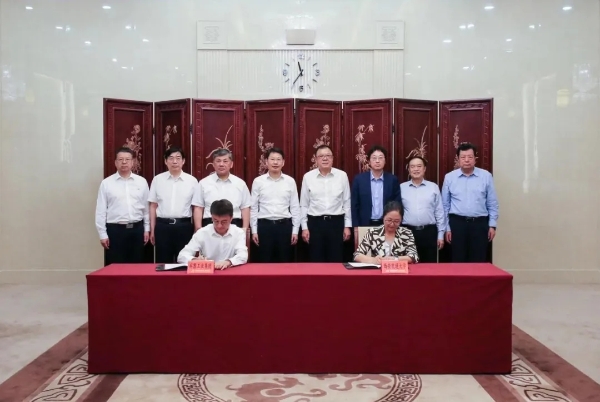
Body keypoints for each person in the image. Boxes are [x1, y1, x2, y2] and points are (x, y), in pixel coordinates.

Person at [441, 142, 499, 262]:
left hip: (479, 224)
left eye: (470, 157)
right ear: (458, 159)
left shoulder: (486, 176)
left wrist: (492, 225)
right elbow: (445, 205)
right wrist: (447, 228)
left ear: (475, 158)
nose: (466, 160)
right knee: (457, 260)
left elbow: (492, 203)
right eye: (463, 157)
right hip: (457, 224)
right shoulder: (449, 177)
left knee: (478, 260)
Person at [95, 147, 149, 264]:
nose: (124, 162)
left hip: (137, 230)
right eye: (120, 159)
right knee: (115, 267)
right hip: (115, 231)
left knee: (137, 267)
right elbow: (101, 211)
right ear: (115, 162)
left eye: (127, 159)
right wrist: (102, 234)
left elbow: (146, 209)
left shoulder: (142, 182)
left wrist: (147, 229)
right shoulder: (106, 183)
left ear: (133, 162)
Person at [300, 144, 352, 262]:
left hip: (336, 223)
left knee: (336, 259)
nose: (325, 158)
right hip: (315, 224)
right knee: (316, 260)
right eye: (321, 156)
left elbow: (346, 202)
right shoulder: (308, 177)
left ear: (333, 158)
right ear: (316, 159)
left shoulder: (342, 176)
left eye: (328, 155)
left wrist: (347, 226)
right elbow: (304, 204)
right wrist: (304, 227)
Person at [250, 147, 300, 262]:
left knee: (285, 263)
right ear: (266, 162)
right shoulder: (258, 181)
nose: (275, 162)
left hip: (284, 227)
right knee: (264, 262)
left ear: (283, 162)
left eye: (278, 159)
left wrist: (295, 231)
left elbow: (295, 207)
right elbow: (253, 208)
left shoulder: (290, 181)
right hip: (264, 227)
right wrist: (254, 231)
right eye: (272, 159)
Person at [148, 147, 196, 263]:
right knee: (162, 262)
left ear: (183, 161)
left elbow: (195, 208)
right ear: (166, 161)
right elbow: (153, 206)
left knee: (185, 262)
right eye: (171, 158)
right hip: (162, 227)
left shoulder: (192, 181)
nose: (175, 161)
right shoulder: (157, 180)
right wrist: (152, 229)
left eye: (178, 158)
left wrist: (195, 230)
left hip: (184, 227)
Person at [177, 199, 248, 270]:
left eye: (224, 222)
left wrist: (228, 262)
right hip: (207, 272)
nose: (219, 226)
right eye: (216, 221)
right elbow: (182, 256)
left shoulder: (238, 233)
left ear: (231, 218)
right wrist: (194, 260)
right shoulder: (202, 232)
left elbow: (243, 255)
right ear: (211, 217)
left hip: (229, 271)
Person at [192, 148, 251, 231]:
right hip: (210, 224)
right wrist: (198, 229)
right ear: (213, 164)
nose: (221, 164)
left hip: (234, 224)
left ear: (231, 164)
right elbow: (198, 207)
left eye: (225, 161)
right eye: (218, 161)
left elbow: (245, 208)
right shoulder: (203, 183)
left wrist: (244, 229)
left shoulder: (240, 184)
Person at [400, 156, 445, 263]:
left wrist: (440, 235)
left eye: (419, 166)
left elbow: (439, 212)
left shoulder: (433, 187)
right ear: (408, 169)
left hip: (429, 232)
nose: (416, 169)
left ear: (424, 169)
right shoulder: (401, 188)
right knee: (409, 265)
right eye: (412, 167)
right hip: (407, 232)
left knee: (429, 266)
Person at [353, 201, 419, 264]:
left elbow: (414, 256)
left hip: (399, 270)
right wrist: (373, 260)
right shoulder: (373, 232)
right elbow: (357, 255)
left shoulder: (407, 233)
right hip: (378, 270)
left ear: (401, 220)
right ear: (383, 218)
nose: (392, 224)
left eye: (396, 221)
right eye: (389, 220)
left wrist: (394, 259)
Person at [351, 145, 401, 226]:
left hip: (387, 224)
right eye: (374, 158)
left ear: (385, 161)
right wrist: (356, 226)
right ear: (369, 161)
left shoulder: (392, 180)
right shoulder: (359, 180)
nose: (377, 161)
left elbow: (397, 203)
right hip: (364, 224)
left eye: (380, 158)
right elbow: (354, 205)